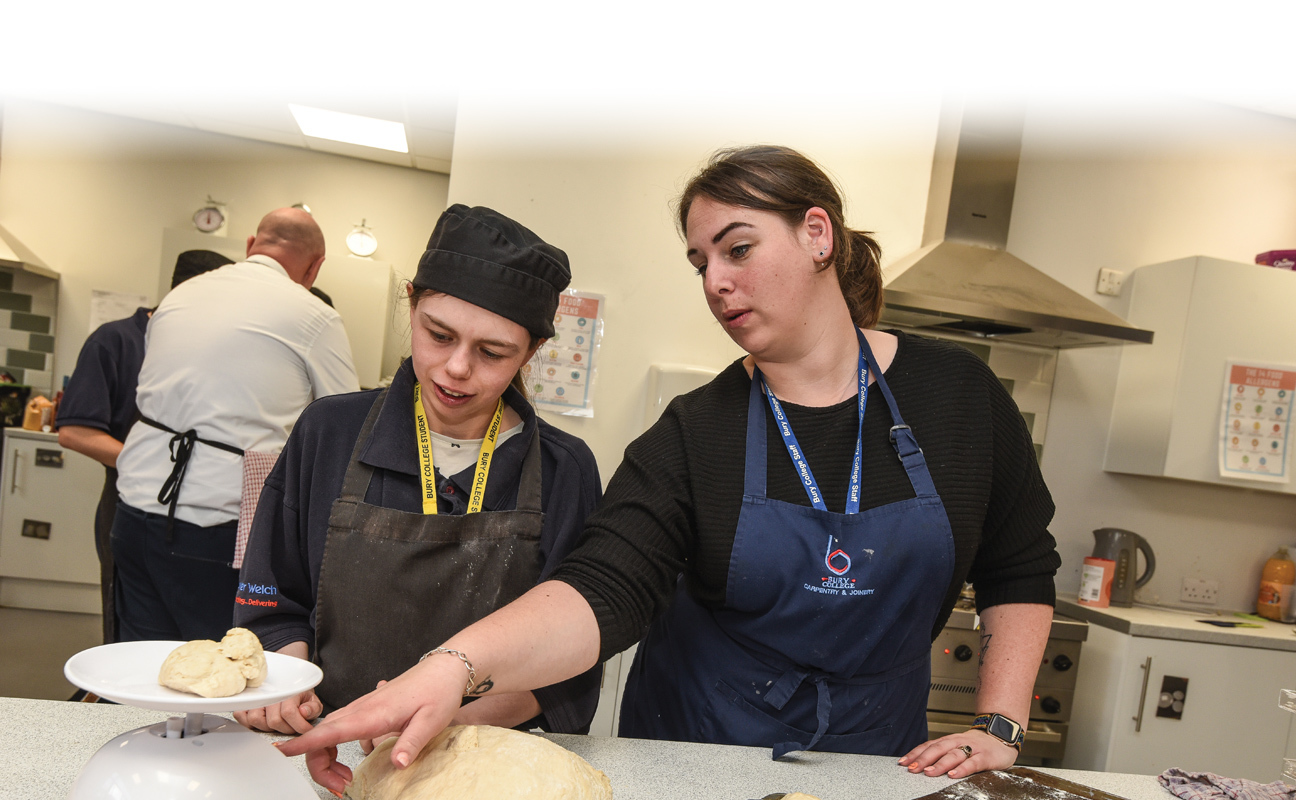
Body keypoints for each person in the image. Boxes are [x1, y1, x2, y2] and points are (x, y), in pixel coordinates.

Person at [280, 147, 1060, 793]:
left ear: (818, 233)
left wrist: (999, 723)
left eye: (738, 247)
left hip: (879, 759)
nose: (716, 281)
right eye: (701, 261)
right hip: (702, 754)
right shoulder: (696, 432)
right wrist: (454, 666)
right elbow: (603, 590)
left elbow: (1019, 565)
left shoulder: (961, 398)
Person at [231, 204, 604, 738]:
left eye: (493, 352)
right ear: (411, 304)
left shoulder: (563, 470)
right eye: (440, 335)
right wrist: (281, 685)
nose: (457, 368)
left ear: (533, 351)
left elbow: (566, 661)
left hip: (477, 759)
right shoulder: (328, 432)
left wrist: (437, 721)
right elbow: (273, 603)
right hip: (323, 742)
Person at [111, 208, 359, 644]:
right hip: (220, 528)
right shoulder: (314, 315)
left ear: (250, 245)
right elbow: (344, 421)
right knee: (225, 667)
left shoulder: (181, 295)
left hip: (134, 510)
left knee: (140, 662)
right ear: (316, 265)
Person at [59, 249, 234, 644]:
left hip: (197, 515)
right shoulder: (116, 340)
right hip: (130, 502)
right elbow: (74, 431)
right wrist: (147, 461)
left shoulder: (207, 349)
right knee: (131, 635)